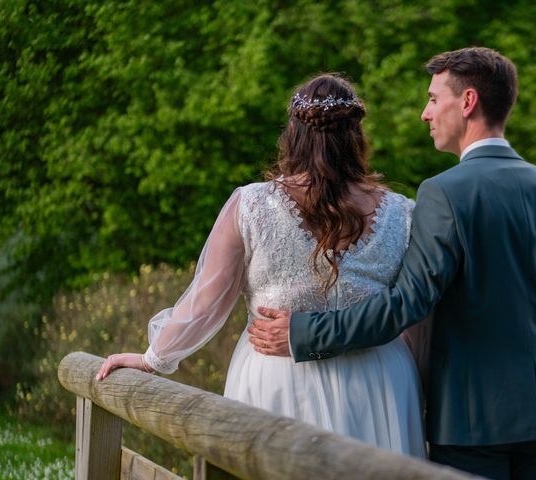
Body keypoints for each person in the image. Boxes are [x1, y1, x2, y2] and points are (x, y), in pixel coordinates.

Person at [248, 48, 536, 479]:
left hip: (472, 418)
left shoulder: (444, 192)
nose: (425, 113)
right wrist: (525, 340)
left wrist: (306, 333)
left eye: (435, 99)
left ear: (468, 102)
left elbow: (407, 304)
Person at [96, 73, 426, 458]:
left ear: (293, 134)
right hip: (380, 382)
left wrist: (153, 358)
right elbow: (415, 316)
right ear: (356, 138)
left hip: (279, 382)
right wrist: (420, 387)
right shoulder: (404, 214)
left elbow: (206, 301)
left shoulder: (251, 205)